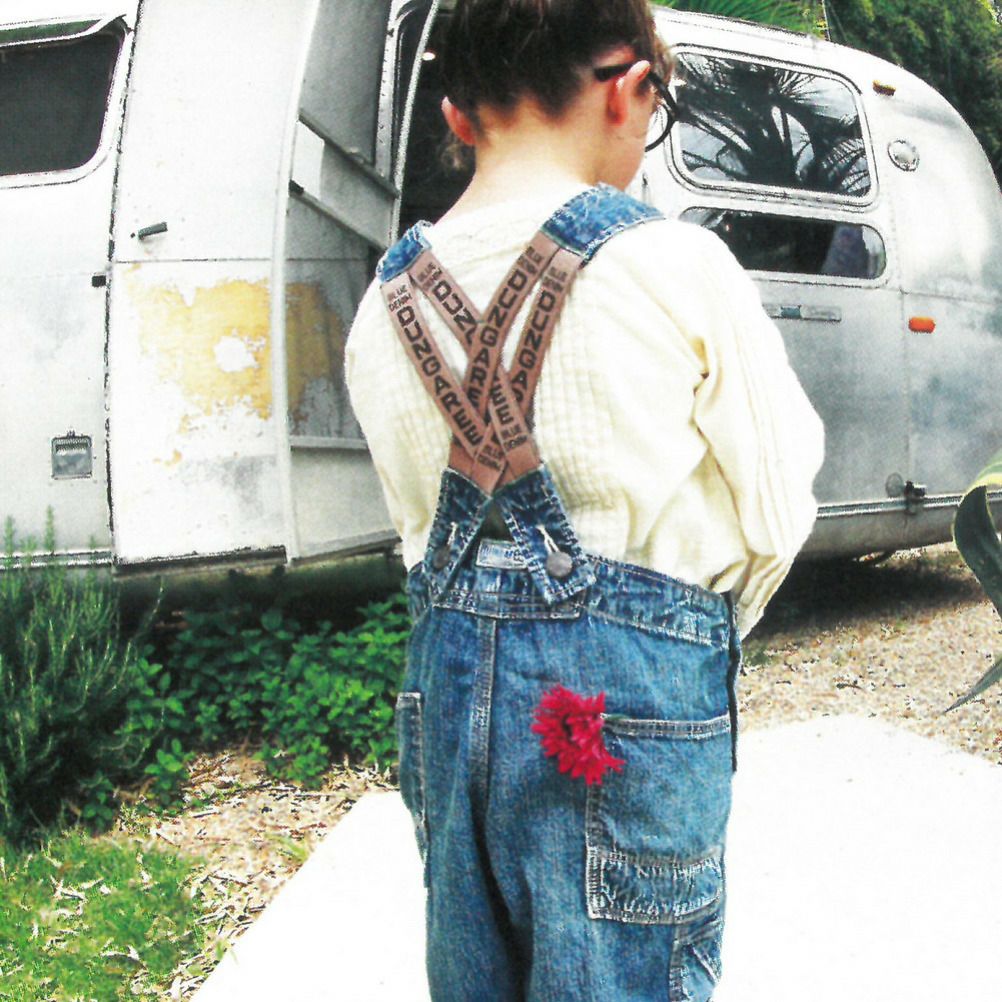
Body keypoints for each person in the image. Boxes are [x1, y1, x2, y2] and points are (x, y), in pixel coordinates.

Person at [346, 1, 824, 998]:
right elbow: (779, 505)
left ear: (457, 116)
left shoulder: (380, 306)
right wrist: (675, 634)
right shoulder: (674, 264)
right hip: (628, 705)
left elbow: (415, 530)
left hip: (446, 694)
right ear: (631, 89)